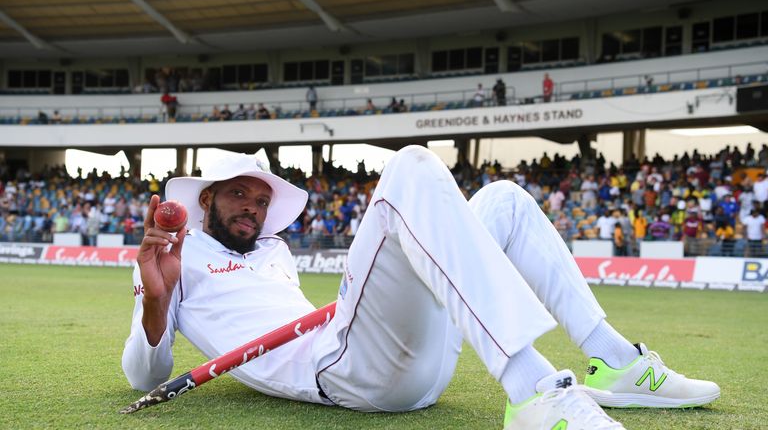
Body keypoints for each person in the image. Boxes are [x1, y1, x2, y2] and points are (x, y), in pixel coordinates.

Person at [123, 147, 719, 430]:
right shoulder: (170, 256)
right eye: (239, 195)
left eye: (260, 199)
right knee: (409, 167)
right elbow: (146, 376)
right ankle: (535, 392)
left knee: (506, 201)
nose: (253, 208)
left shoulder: (274, 251)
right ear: (205, 199)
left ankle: (614, 362)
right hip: (344, 374)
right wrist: (156, 297)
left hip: (398, 364)